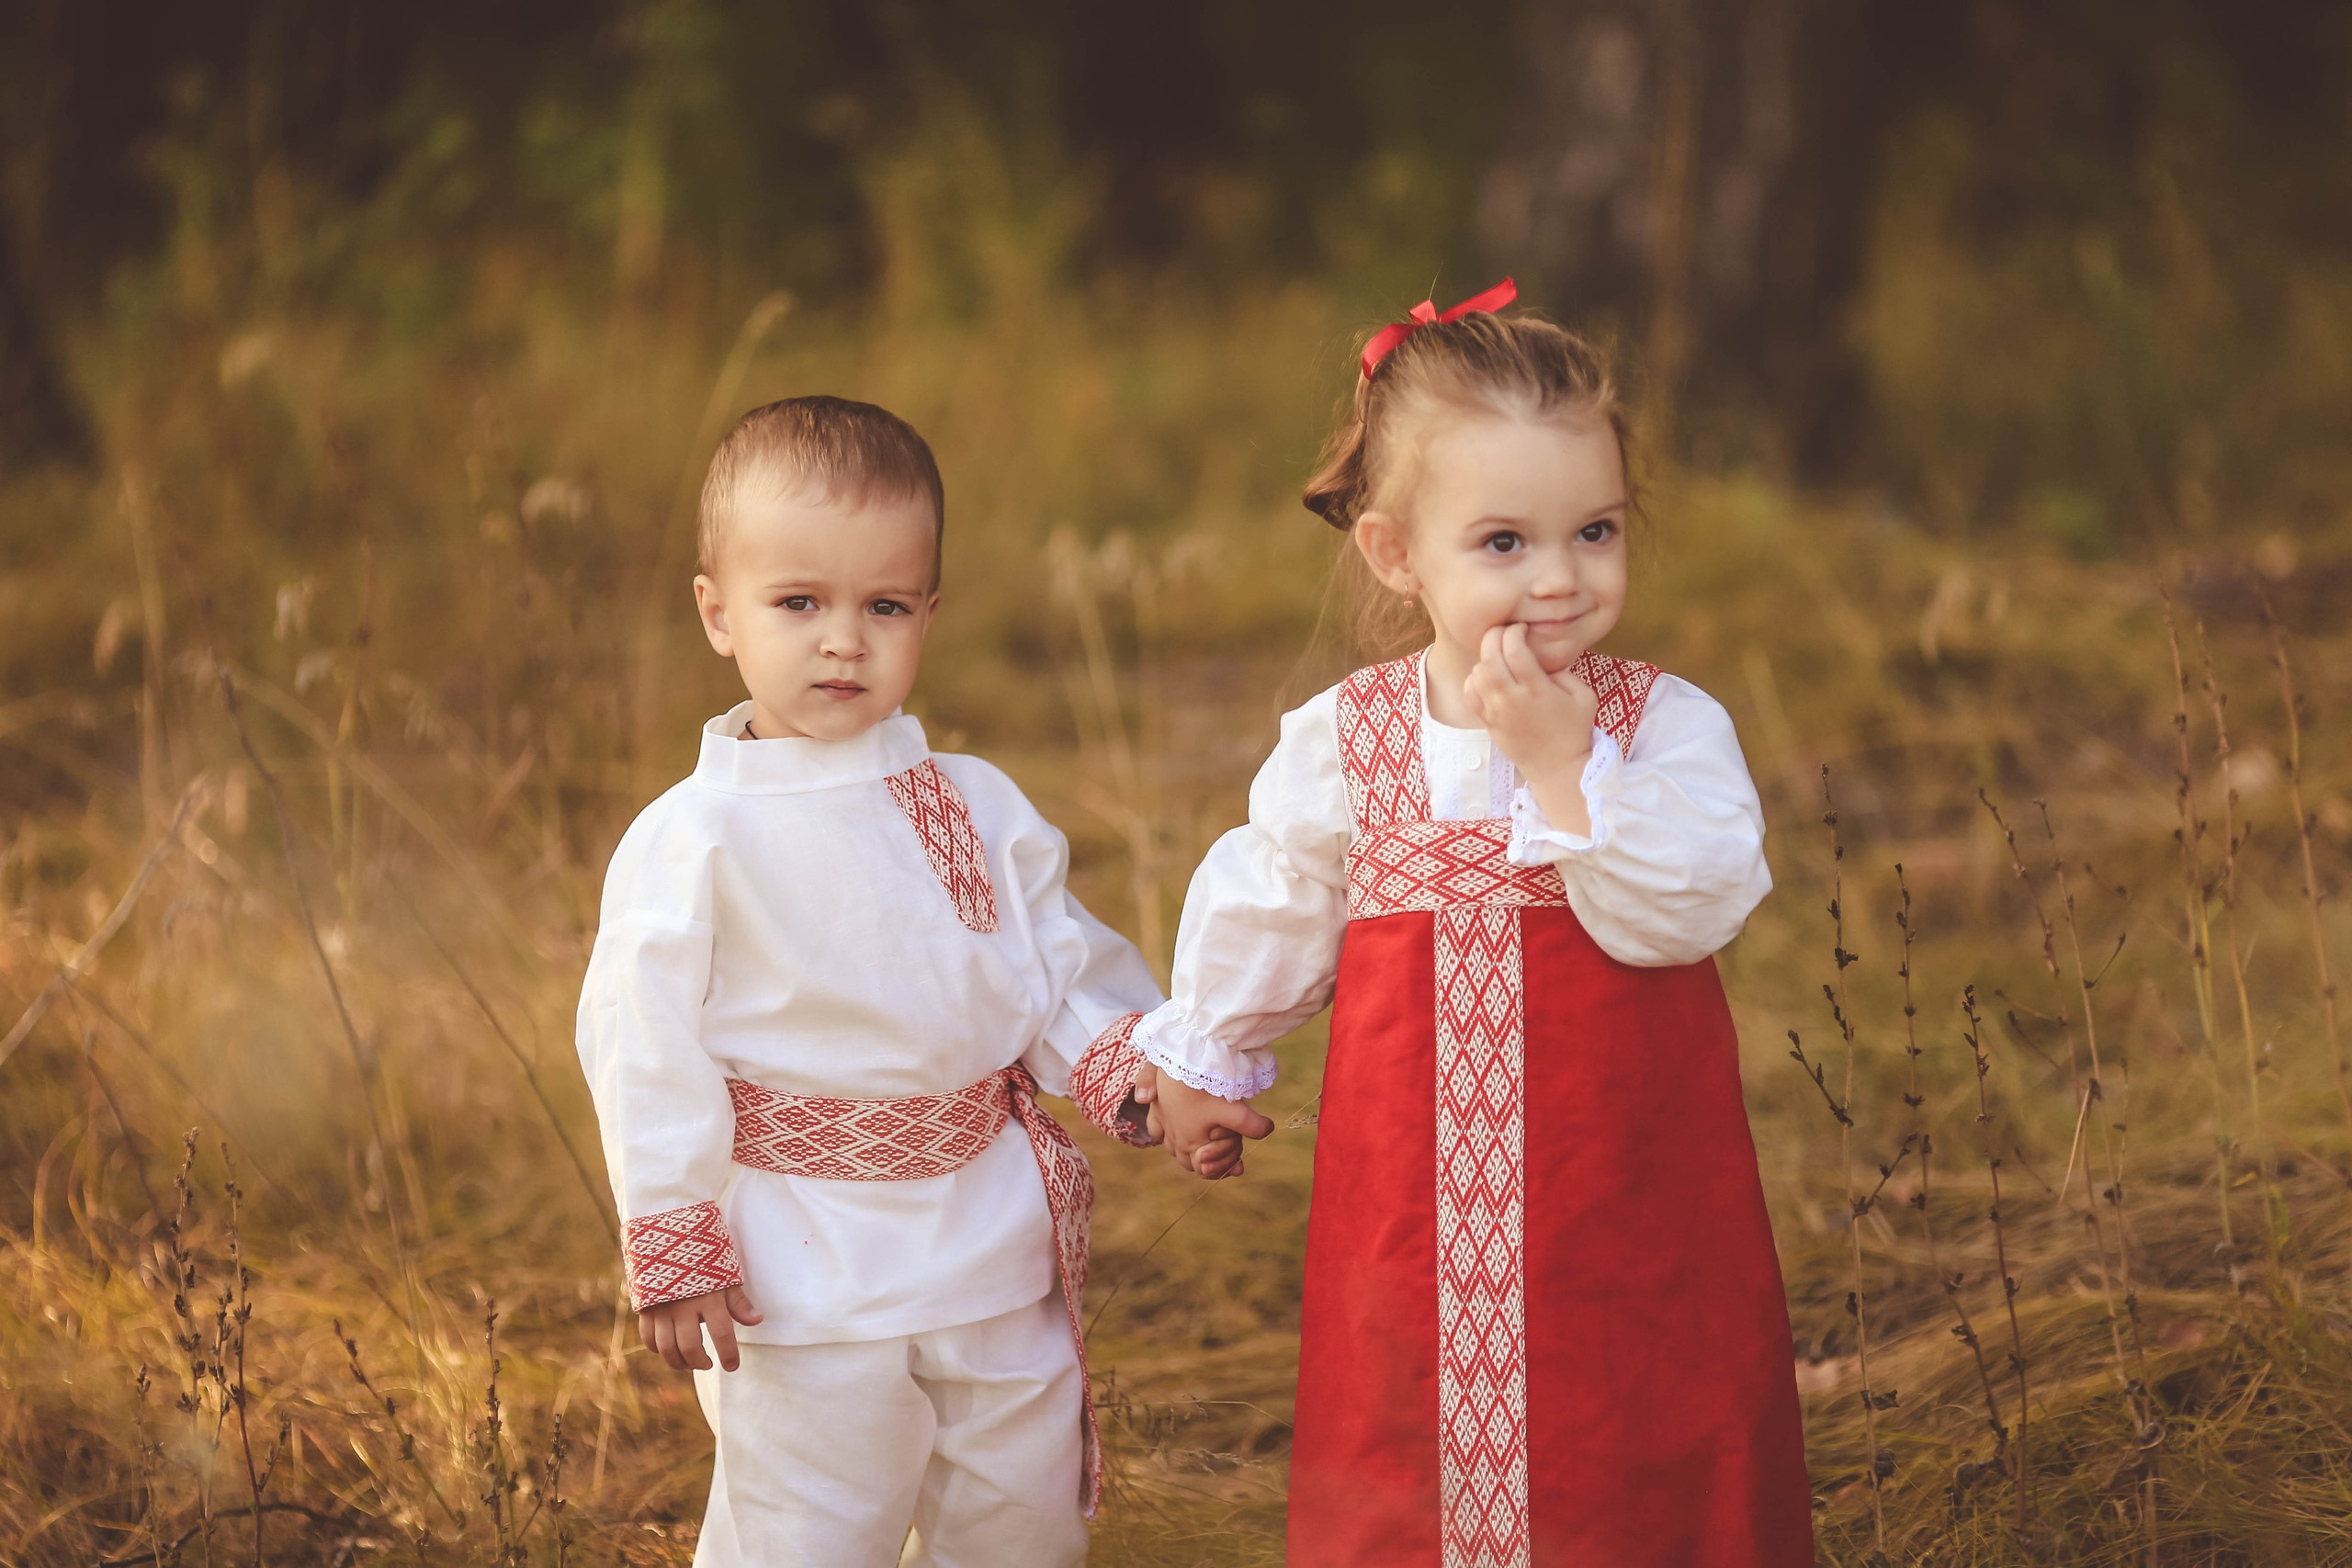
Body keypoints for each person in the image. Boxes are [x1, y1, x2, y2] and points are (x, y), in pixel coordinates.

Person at [1136, 284, 1816, 1565]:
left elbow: (1696, 899)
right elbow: (1279, 888)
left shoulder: (1659, 726)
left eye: (1595, 530)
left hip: (1629, 1186)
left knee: (1639, 1412)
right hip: (1410, 1203)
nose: (1559, 577)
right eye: (1503, 541)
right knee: (1409, 1432)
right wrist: (1208, 1052)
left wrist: (1569, 773)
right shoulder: (1352, 740)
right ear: (1399, 554)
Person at [575, 396, 1162, 1568]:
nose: (844, 639)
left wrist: (1147, 1073)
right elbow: (643, 1043)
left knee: (1021, 1517)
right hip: (801, 1267)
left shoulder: (975, 802)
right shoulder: (691, 837)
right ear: (718, 613)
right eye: (799, 603)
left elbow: (1053, 965)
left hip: (989, 1242)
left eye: (884, 606)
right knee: (808, 1530)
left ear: (927, 615)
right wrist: (676, 1229)